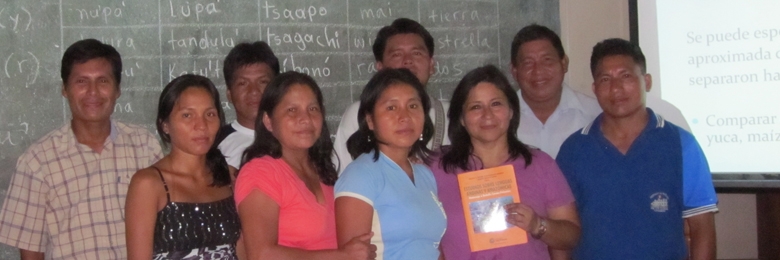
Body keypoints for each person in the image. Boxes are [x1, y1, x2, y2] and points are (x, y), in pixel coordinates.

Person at [0, 39, 163, 259]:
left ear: (118, 90)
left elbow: (164, 229)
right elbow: (30, 251)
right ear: (65, 89)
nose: (93, 92)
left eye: (103, 81)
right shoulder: (36, 162)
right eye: (81, 81)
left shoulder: (145, 146)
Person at [556, 38, 718, 259]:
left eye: (626, 76)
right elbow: (562, 233)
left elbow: (702, 228)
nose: (616, 88)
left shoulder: (681, 145)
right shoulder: (573, 151)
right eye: (605, 79)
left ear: (647, 81)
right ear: (595, 88)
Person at [430, 65, 580, 260]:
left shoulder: (540, 164)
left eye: (496, 104)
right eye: (476, 107)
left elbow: (571, 236)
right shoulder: (436, 167)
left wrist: (538, 225)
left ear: (511, 111)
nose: (487, 115)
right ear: (462, 119)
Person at [234, 71, 375, 260]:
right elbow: (261, 254)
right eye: (292, 110)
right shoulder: (261, 172)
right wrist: (342, 256)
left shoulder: (324, 171)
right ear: (268, 121)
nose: (305, 119)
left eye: (313, 109)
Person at [510, 24, 690, 158]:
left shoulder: (599, 112)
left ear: (564, 63)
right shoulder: (499, 120)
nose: (538, 71)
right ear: (514, 71)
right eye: (527, 63)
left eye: (547, 60)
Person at [125, 75, 242, 259]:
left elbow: (243, 251)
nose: (201, 125)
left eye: (210, 114)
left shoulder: (230, 176)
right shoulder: (148, 184)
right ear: (165, 125)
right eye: (187, 115)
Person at [335, 68, 447, 260]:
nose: (404, 117)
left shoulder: (425, 174)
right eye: (391, 108)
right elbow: (352, 256)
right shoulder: (360, 176)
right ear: (370, 121)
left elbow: (431, 247)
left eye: (413, 106)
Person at [333, 18, 449, 174]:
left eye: (416, 53)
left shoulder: (452, 113)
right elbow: (342, 177)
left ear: (431, 64)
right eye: (397, 55)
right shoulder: (359, 113)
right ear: (380, 67)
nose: (408, 61)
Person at [217, 41, 279, 173]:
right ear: (229, 94)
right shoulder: (214, 144)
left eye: (263, 82)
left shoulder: (295, 137)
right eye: (243, 83)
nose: (254, 91)